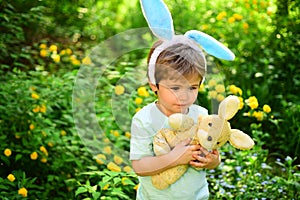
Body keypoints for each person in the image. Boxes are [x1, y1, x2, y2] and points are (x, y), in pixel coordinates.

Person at [129, 35, 221, 200]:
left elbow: (213, 156)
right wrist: (174, 158)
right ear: (153, 84)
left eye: (192, 87)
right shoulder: (144, 119)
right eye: (175, 88)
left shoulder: (201, 116)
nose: (184, 97)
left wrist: (212, 161)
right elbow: (140, 166)